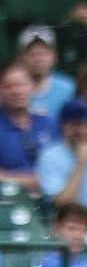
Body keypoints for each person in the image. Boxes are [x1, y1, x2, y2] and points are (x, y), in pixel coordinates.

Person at [0, 61, 56, 192]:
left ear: (32, 87)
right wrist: (26, 181)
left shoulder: (49, 123)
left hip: (52, 200)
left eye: (21, 85)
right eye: (8, 86)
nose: (16, 91)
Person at [17, 25, 75, 121]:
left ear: (54, 56)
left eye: (43, 53)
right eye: (32, 54)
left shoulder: (67, 88)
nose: (38, 59)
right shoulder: (12, 89)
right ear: (21, 57)